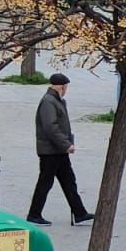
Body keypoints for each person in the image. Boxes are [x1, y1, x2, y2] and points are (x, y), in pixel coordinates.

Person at [28, 74, 93, 226]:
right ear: (61, 86)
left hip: (58, 151)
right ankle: (34, 214)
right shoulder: (49, 102)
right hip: (51, 151)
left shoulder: (56, 101)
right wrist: (66, 144)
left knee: (69, 181)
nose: (66, 90)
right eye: (66, 87)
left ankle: (79, 213)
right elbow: (51, 128)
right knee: (45, 182)